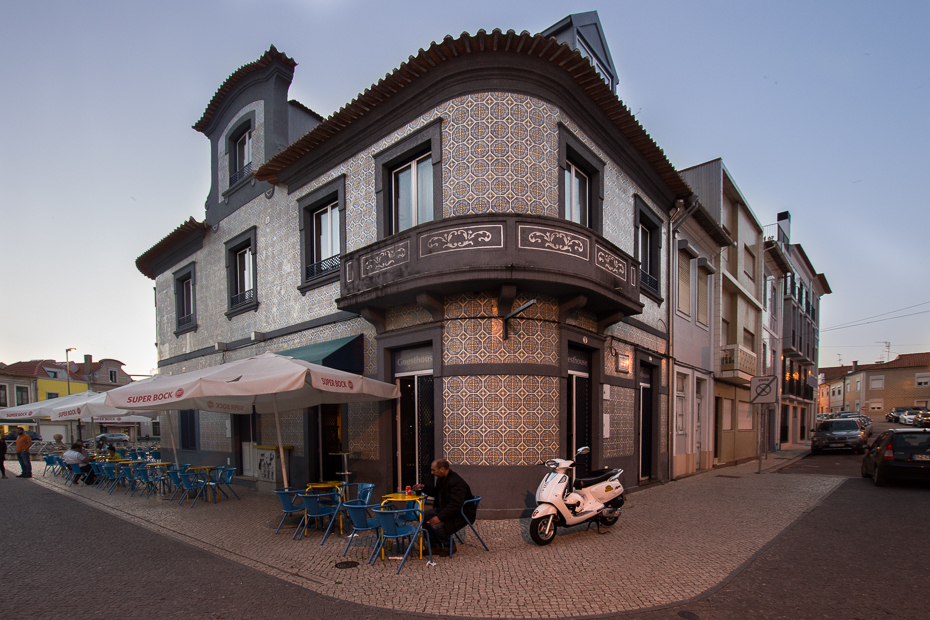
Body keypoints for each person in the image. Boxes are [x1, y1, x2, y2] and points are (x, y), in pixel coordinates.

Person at [412, 459, 476, 554]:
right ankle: (435, 546)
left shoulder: (456, 482)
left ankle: (449, 545)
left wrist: (439, 517)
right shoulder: (442, 479)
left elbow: (456, 505)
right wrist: (424, 488)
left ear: (442, 469)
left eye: (434, 470)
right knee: (423, 516)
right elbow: (437, 492)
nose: (432, 472)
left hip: (462, 513)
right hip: (447, 508)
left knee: (436, 525)